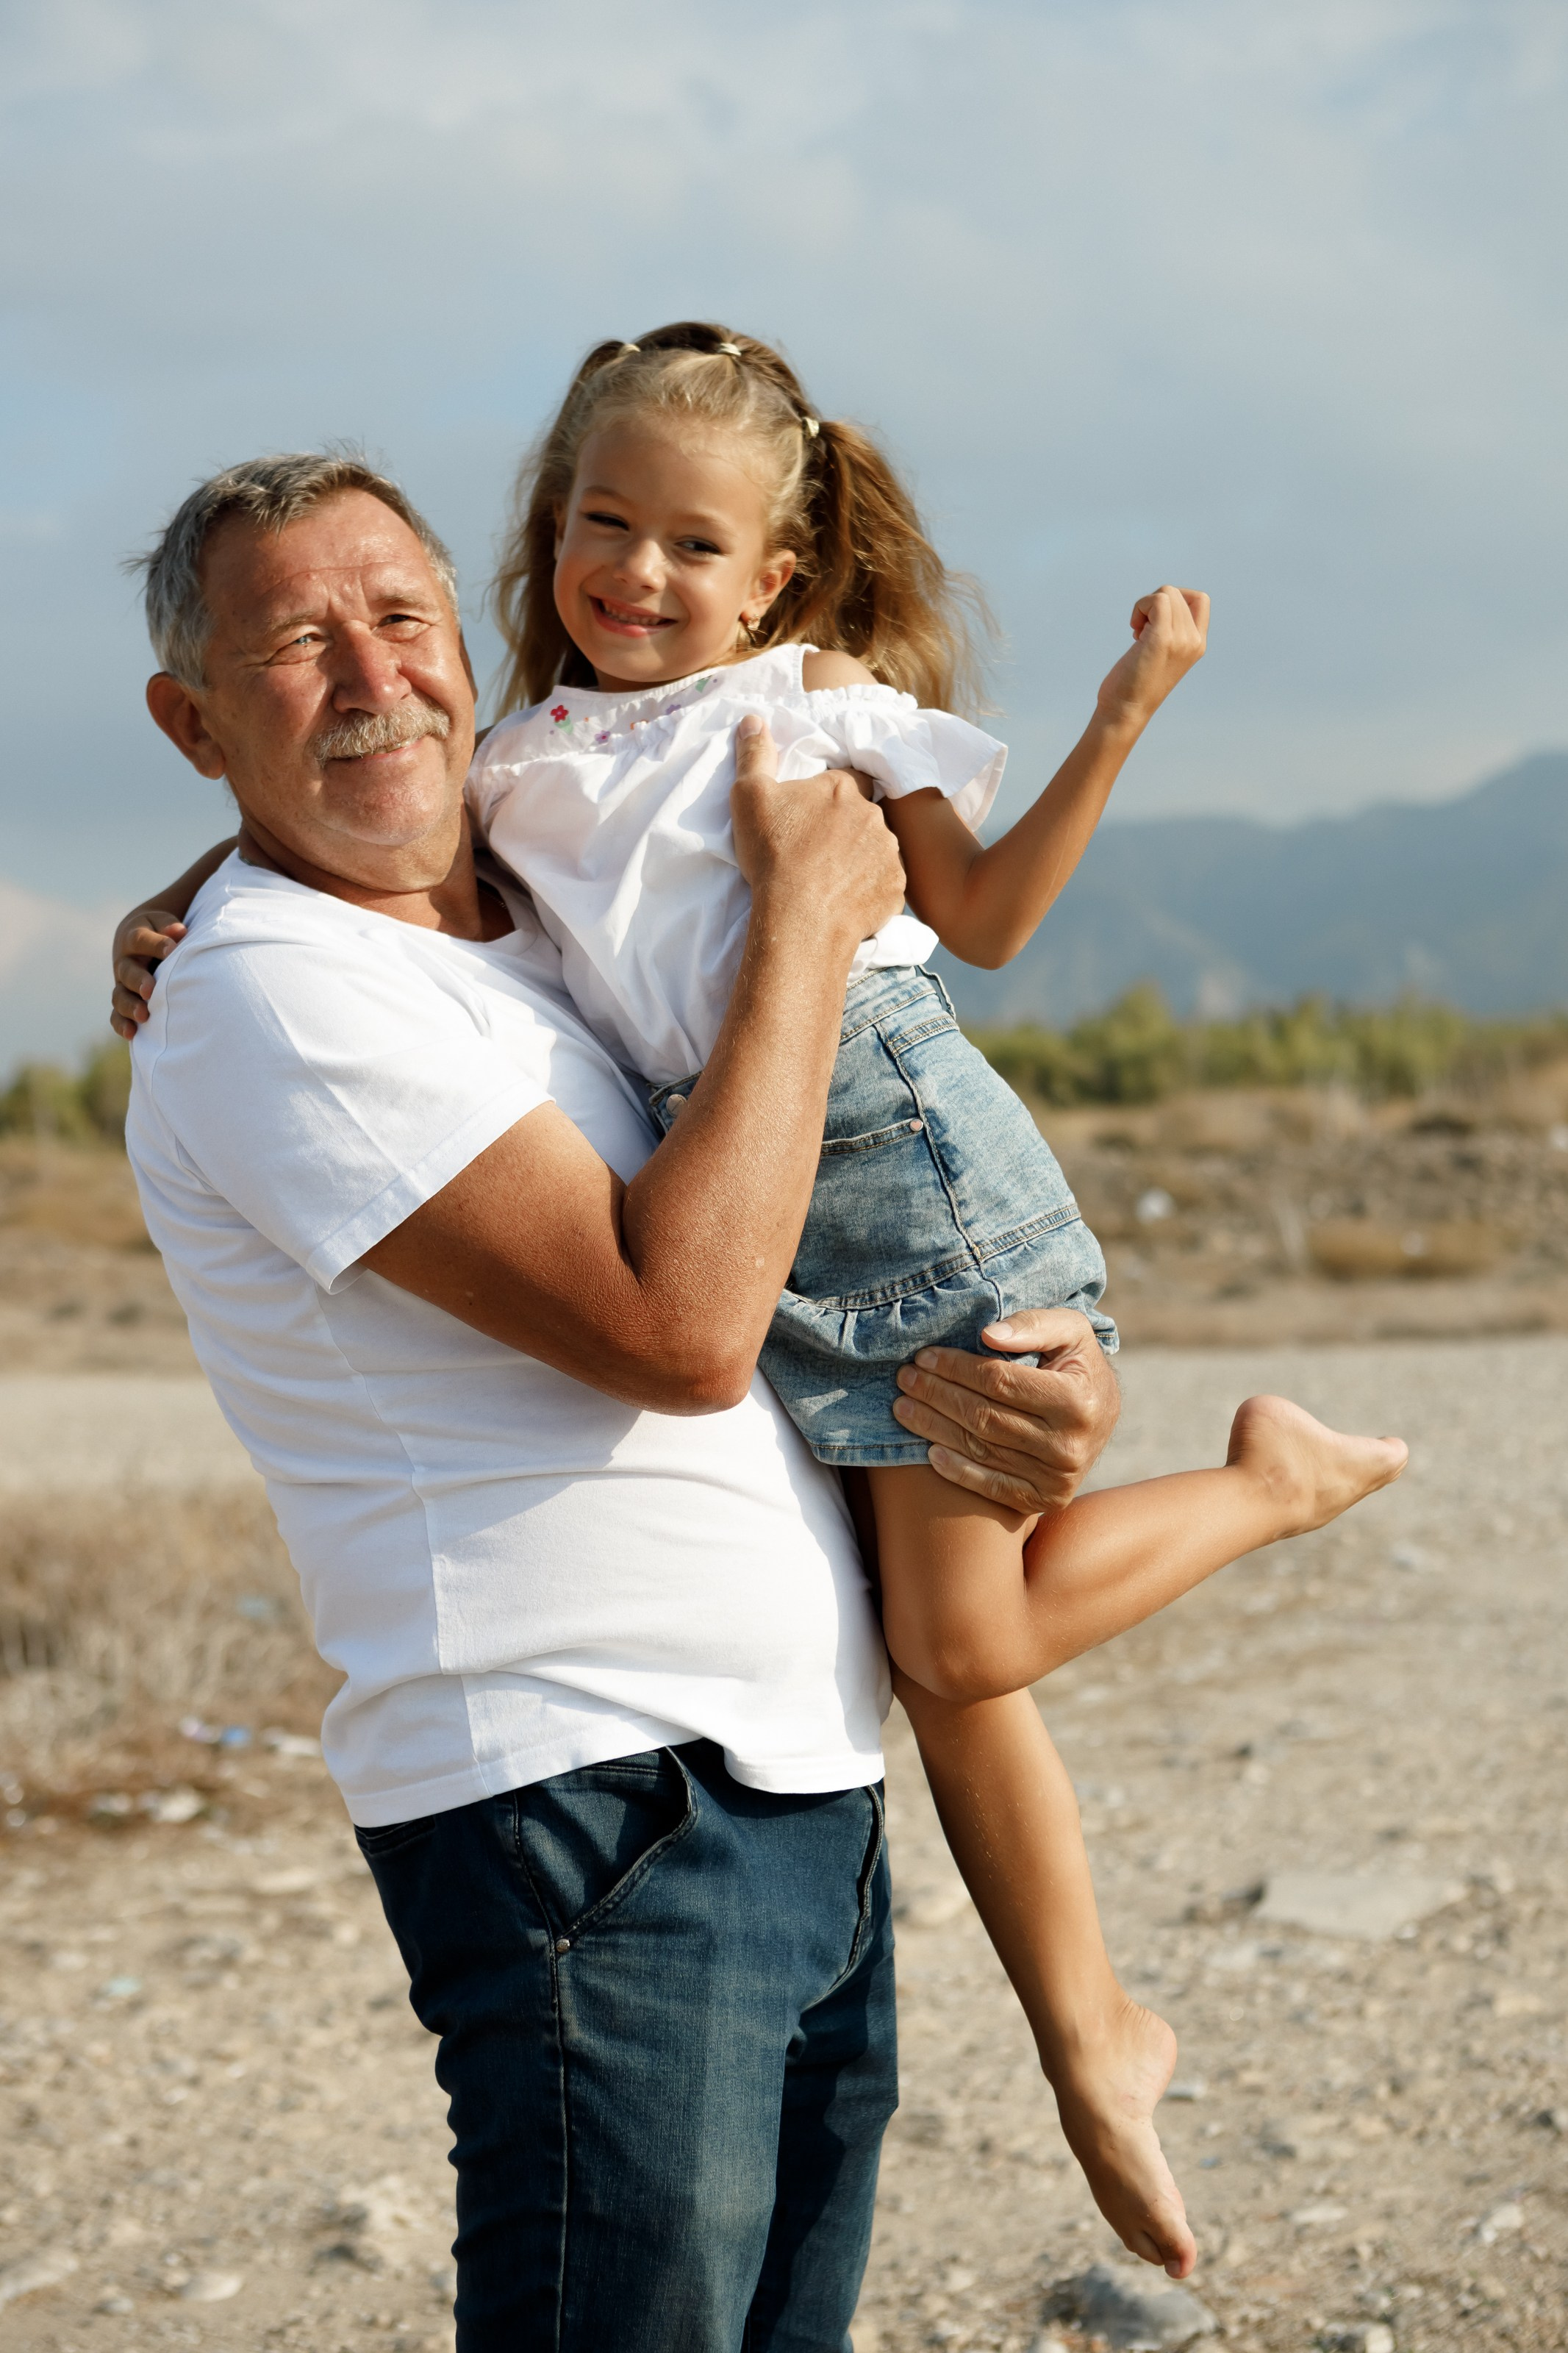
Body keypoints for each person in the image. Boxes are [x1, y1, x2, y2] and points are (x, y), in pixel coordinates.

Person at [115, 382, 1406, 2301]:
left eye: (403, 620)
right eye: (296, 641)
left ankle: (1090, 2012)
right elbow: (682, 1328)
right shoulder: (278, 990)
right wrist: (807, 919)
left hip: (786, 1788)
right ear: (195, 721)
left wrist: (1010, 1399)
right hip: (594, 1820)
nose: (376, 672)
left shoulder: (521, 902)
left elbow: (811, 1181)